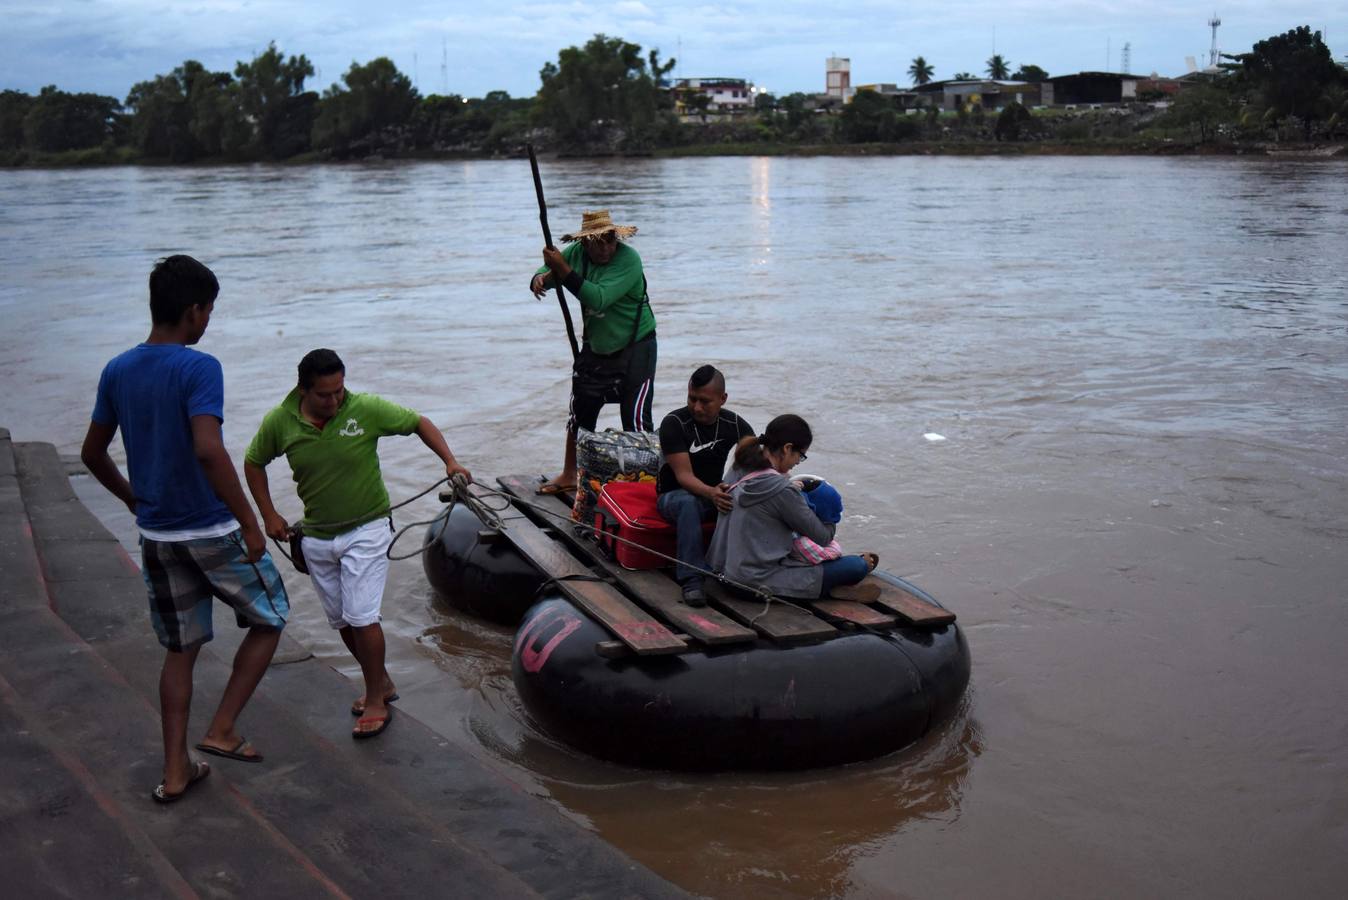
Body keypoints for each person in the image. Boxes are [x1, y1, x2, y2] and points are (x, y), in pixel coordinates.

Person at [80, 254, 289, 804]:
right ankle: (222, 728)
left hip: (157, 536)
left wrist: (132, 499)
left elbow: (92, 453)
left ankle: (175, 771)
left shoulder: (118, 369)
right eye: (209, 310)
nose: (209, 322)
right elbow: (207, 448)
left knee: (180, 650)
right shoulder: (199, 368)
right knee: (271, 616)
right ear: (194, 310)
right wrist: (250, 521)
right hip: (212, 529)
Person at [243, 349, 471, 739]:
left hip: (368, 527)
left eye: (339, 391)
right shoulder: (280, 422)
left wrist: (450, 461)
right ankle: (380, 681)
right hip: (315, 535)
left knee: (363, 615)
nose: (334, 401)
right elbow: (253, 462)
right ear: (303, 390)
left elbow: (419, 422)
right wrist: (269, 516)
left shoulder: (364, 408)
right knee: (343, 619)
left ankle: (375, 700)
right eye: (324, 395)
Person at [530, 209, 657, 495]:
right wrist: (539, 278)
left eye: (610, 240)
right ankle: (569, 473)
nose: (605, 248)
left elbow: (598, 299)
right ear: (585, 243)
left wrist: (561, 270)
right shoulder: (575, 253)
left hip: (637, 345)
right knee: (580, 413)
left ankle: (644, 484)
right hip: (596, 346)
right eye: (597, 242)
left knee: (636, 419)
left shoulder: (628, 259)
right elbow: (548, 269)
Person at [707, 414, 877, 600]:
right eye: (800, 456)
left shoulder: (740, 465)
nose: (797, 462)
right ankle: (830, 590)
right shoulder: (783, 490)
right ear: (787, 449)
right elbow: (823, 537)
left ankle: (832, 589)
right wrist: (830, 511)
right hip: (752, 583)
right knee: (856, 566)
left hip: (723, 573)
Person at [655, 365, 755, 606]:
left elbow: (757, 465)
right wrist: (712, 493)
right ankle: (692, 580)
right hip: (674, 496)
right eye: (692, 399)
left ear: (723, 399)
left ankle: (745, 570)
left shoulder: (736, 425)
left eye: (705, 401)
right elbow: (683, 477)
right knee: (688, 502)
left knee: (748, 497)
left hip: (711, 493)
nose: (697, 407)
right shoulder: (674, 423)